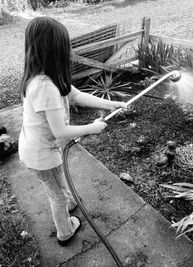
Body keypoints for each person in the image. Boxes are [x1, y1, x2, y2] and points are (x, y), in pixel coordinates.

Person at [18, 17, 127, 246]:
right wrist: (92, 128)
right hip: (41, 155)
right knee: (55, 194)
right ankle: (65, 232)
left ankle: (68, 202)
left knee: (57, 180)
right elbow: (60, 131)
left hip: (41, 148)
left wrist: (110, 104)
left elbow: (76, 95)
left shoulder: (49, 77)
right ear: (53, 50)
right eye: (65, 46)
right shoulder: (44, 86)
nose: (68, 51)